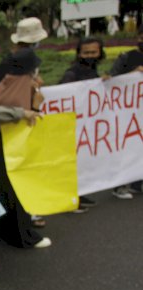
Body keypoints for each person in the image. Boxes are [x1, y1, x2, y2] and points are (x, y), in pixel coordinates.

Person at [0, 48, 52, 250]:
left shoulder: (6, 83)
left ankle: (7, 231)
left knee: (7, 190)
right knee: (16, 190)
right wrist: (35, 106)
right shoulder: (20, 87)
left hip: (3, 145)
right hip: (13, 146)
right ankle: (22, 235)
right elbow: (24, 122)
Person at [60, 37, 109, 210]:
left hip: (86, 127)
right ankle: (71, 199)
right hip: (74, 126)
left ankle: (80, 195)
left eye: (93, 52)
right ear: (79, 53)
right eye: (86, 52)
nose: (90, 55)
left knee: (83, 162)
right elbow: (62, 96)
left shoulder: (92, 71)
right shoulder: (72, 74)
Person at [109, 25, 143, 199]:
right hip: (126, 113)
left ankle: (138, 183)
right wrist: (133, 74)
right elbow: (112, 79)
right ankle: (120, 185)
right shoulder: (127, 57)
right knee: (126, 148)